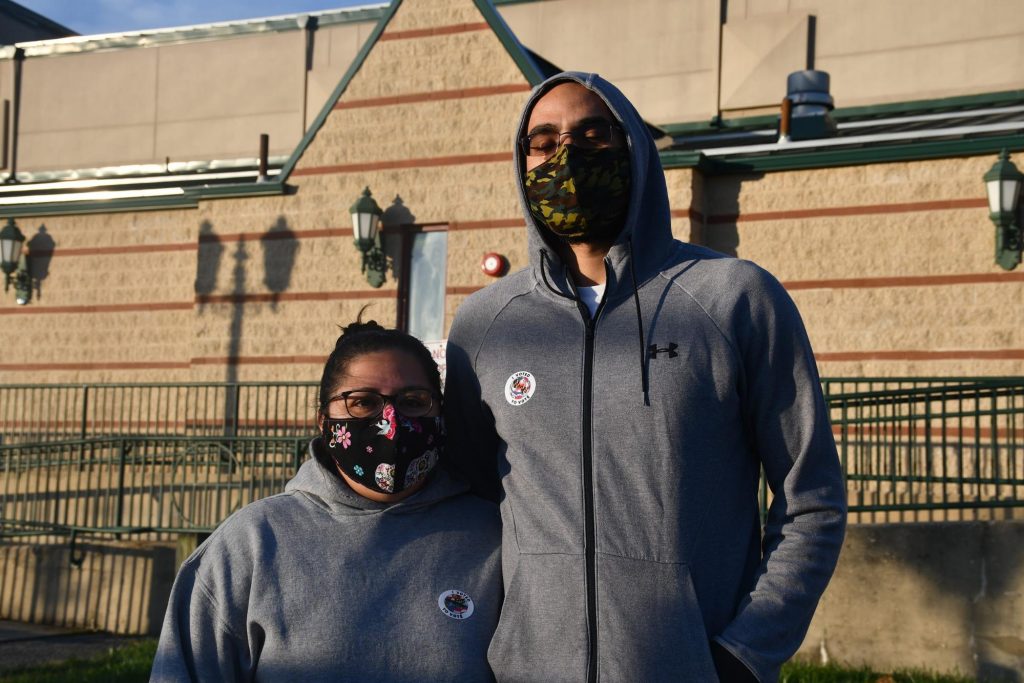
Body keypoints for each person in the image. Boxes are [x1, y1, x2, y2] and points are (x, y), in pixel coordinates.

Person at [444, 72, 847, 683]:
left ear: (632, 146)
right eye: (544, 141)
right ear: (521, 162)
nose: (567, 156)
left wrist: (744, 654)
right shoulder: (486, 324)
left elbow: (810, 498)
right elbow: (470, 501)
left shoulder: (735, 298)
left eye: (591, 134)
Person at [152, 319, 502, 682]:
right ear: (324, 420)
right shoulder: (253, 542)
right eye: (363, 403)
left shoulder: (490, 535)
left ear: (439, 414)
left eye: (413, 402)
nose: (391, 422)